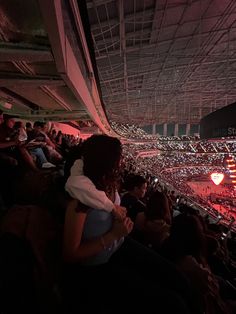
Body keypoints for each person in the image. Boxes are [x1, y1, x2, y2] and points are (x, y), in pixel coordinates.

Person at [63, 135, 197, 314]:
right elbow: (70, 254)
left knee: (179, 279)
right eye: (119, 158)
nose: (122, 161)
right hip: (101, 265)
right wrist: (113, 235)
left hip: (120, 244)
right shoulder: (79, 200)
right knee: (173, 303)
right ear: (106, 162)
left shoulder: (107, 183)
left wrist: (119, 221)